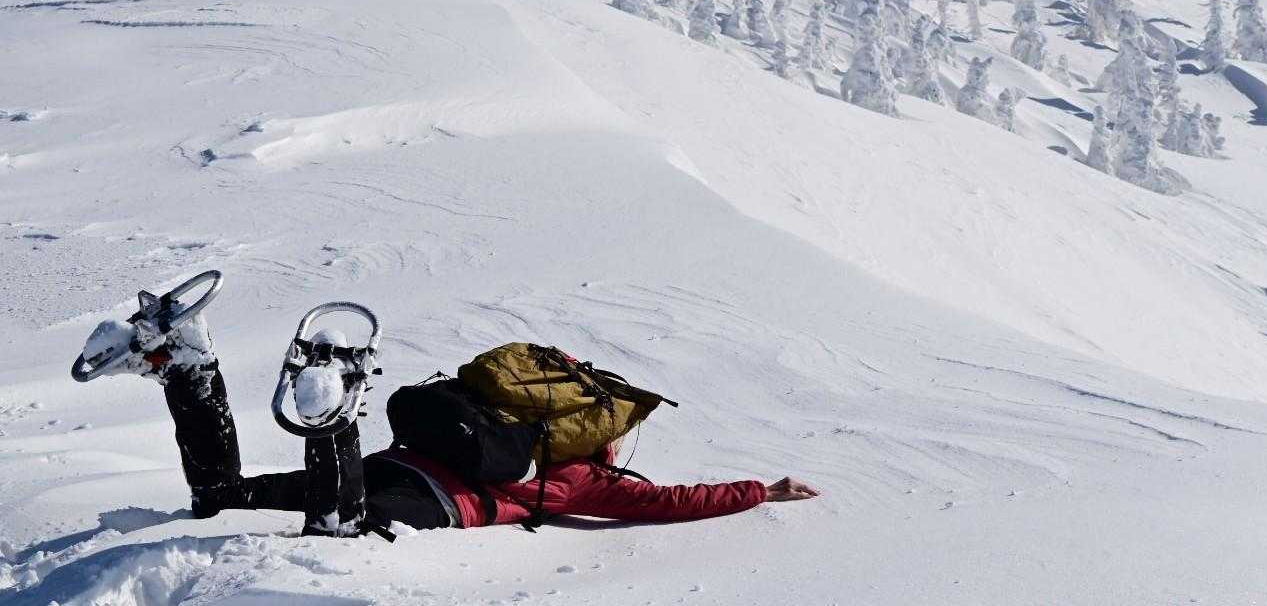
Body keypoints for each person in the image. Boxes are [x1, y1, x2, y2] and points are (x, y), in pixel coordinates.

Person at [80, 307, 819, 536]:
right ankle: (333, 414)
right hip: (430, 501)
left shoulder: (513, 420)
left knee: (222, 497)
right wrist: (761, 490)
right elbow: (673, 503)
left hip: (401, 460)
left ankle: (188, 367)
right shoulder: (584, 481)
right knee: (341, 524)